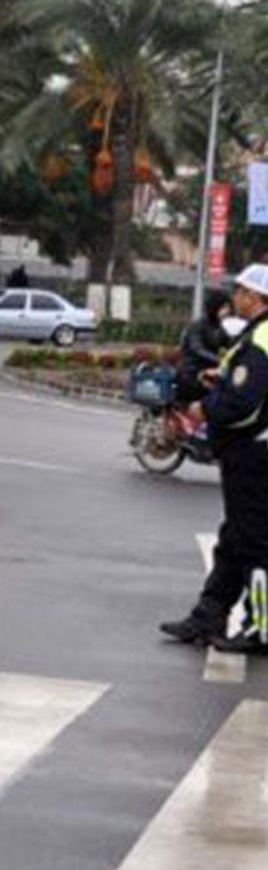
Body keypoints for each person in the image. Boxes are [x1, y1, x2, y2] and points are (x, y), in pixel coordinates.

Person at [162, 265, 268, 654]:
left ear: (256, 298)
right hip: (253, 450)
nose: (234, 298)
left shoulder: (259, 340)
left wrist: (206, 408)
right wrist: (219, 378)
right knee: (235, 538)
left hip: (252, 452)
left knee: (255, 543)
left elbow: (245, 401)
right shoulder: (256, 337)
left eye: (240, 291)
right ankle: (209, 614)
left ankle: (261, 626)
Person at [177, 289, 233, 404]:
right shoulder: (197, 326)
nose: (227, 311)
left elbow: (231, 343)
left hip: (210, 371)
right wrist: (219, 360)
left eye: (228, 308)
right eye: (224, 307)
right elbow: (197, 349)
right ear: (215, 307)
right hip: (192, 373)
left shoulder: (218, 328)